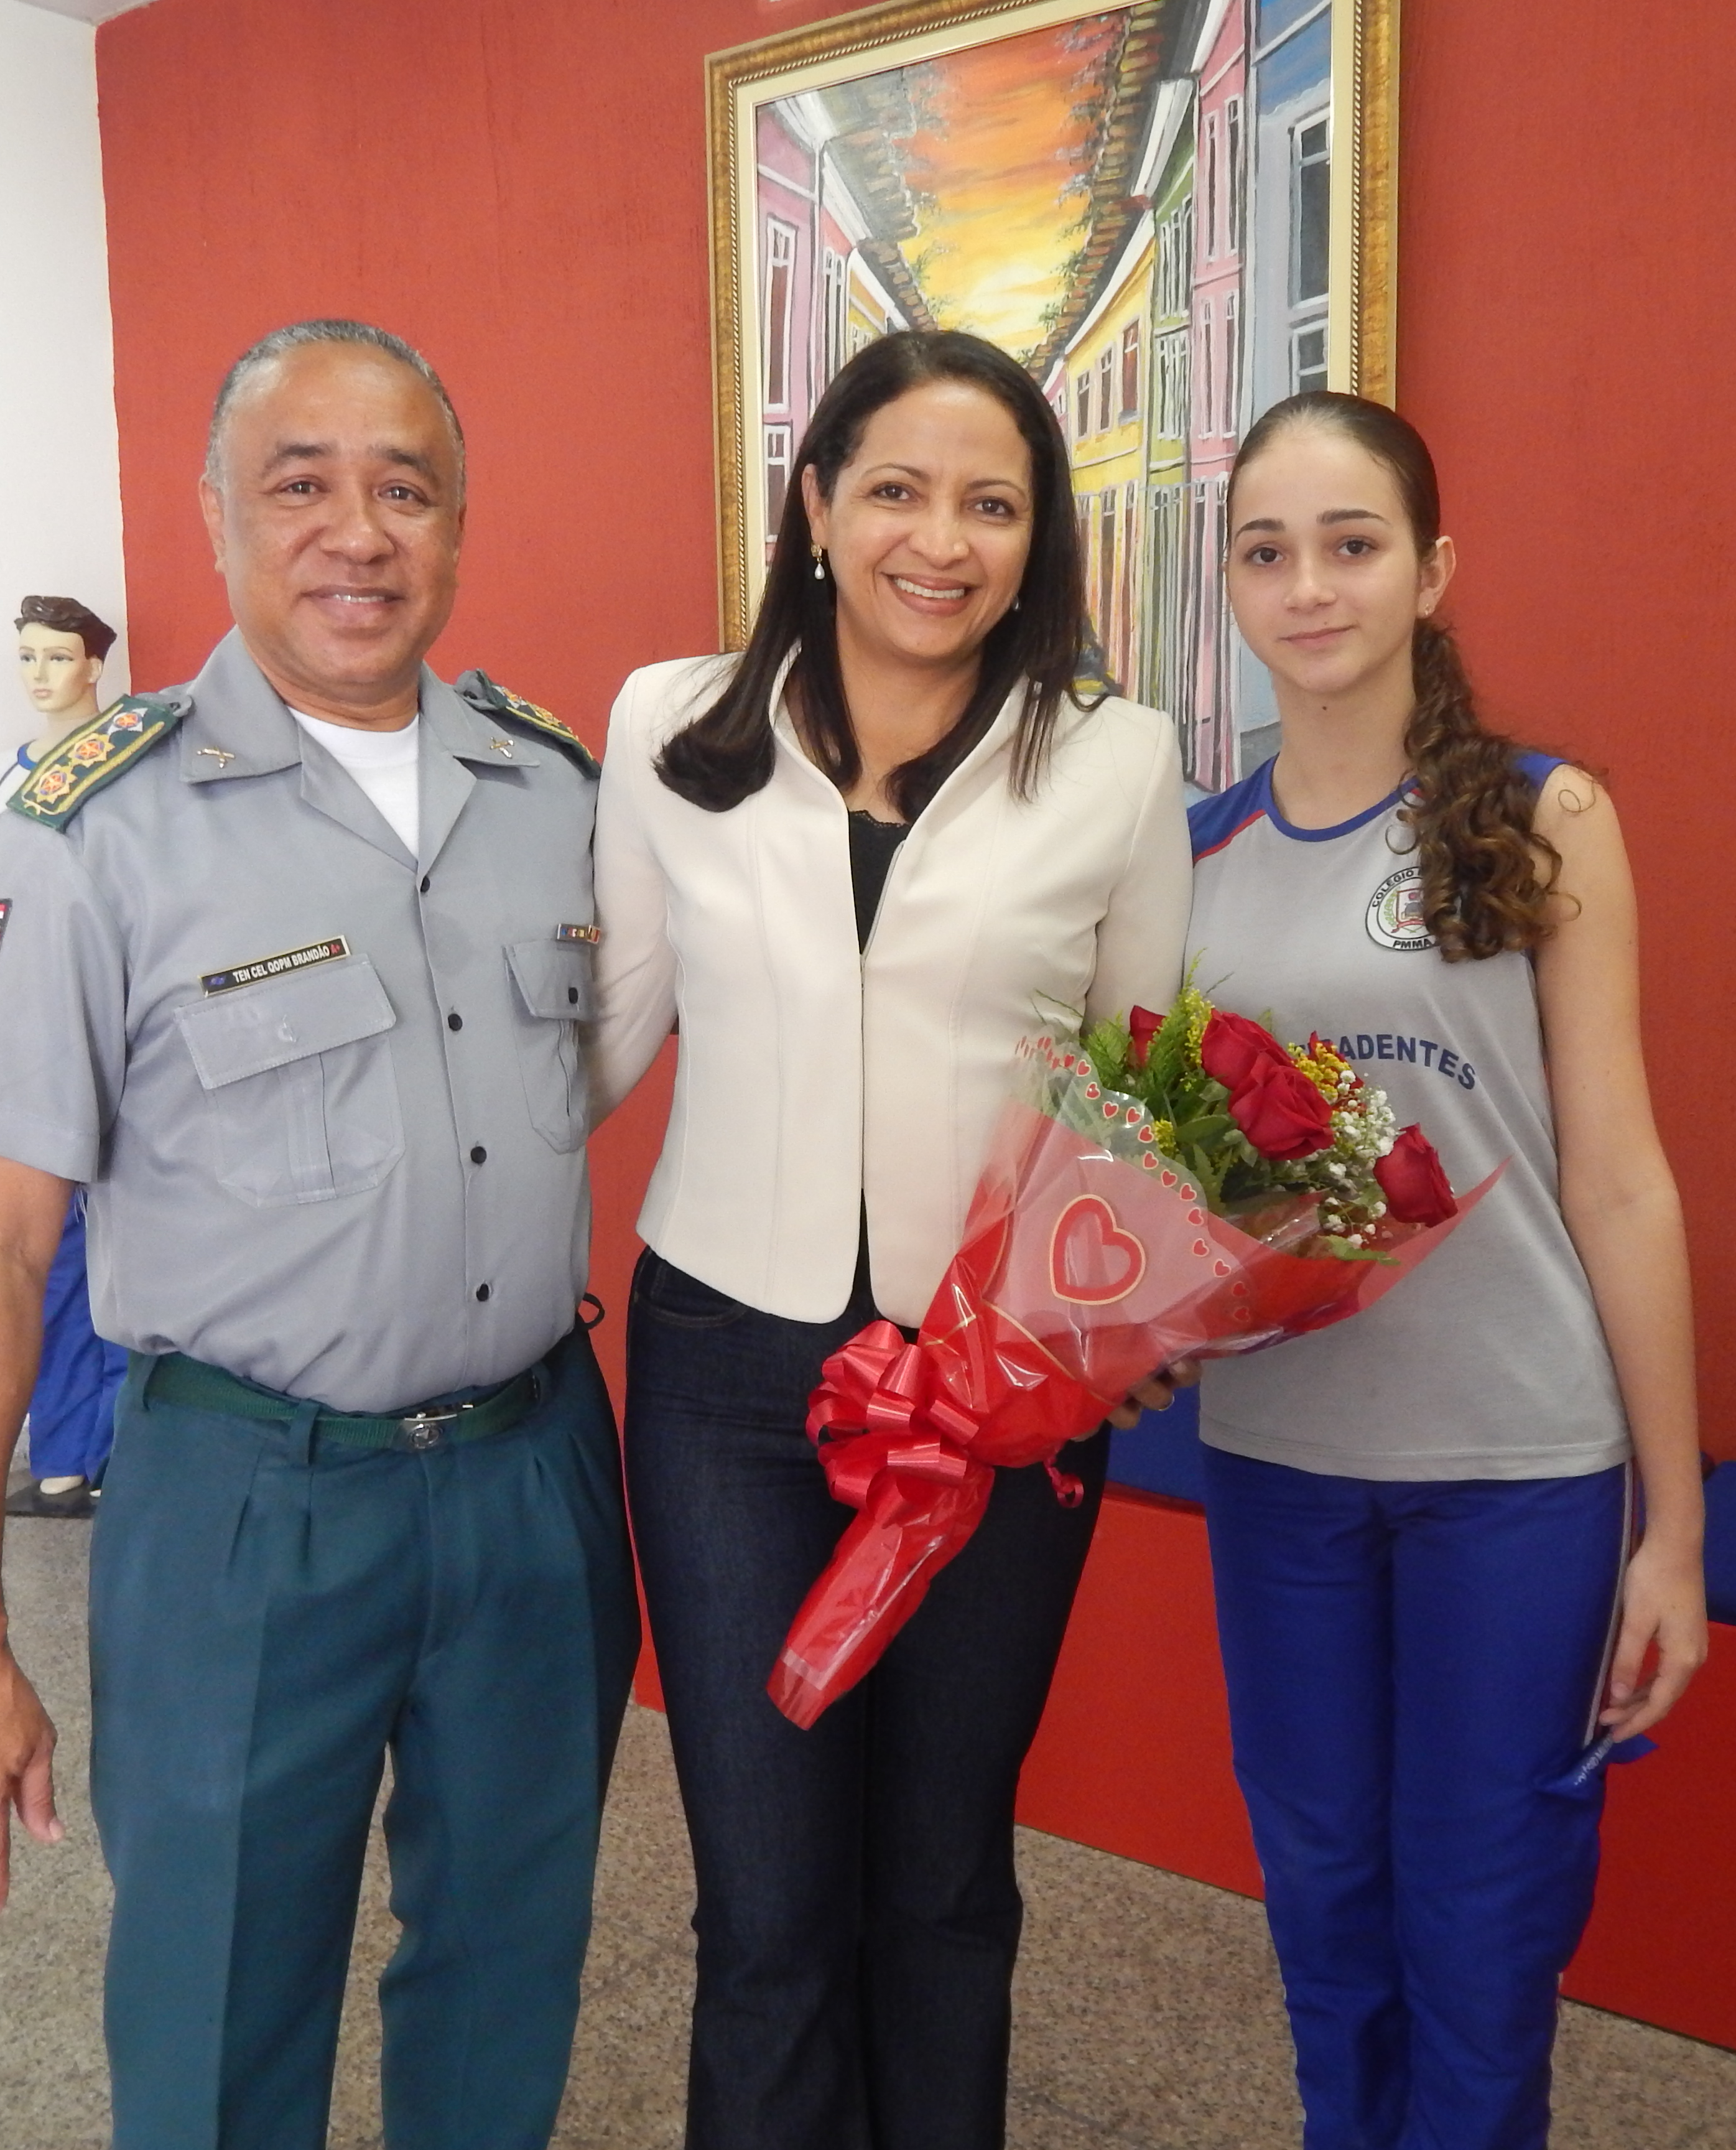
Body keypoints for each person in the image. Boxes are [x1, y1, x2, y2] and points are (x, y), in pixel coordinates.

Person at [0, 318, 638, 2150]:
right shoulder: (91, 831)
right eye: (299, 484)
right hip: (246, 1505)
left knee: (511, 1969)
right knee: (216, 2003)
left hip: (537, 1482)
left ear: (458, 529)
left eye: (404, 488)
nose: (354, 533)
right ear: (216, 519)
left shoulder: (558, 795)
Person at [586, 328, 1192, 2150]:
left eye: (993, 505)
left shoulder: (1115, 759)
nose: (945, 541)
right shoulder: (666, 727)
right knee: (766, 1908)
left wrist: (1119, 1331)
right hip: (723, 1389)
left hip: (994, 1397)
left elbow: (1137, 1095)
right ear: (818, 506)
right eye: (902, 491)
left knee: (942, 1889)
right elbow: (596, 1040)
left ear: (1038, 541)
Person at [1182, 391, 1709, 2150]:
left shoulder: (1548, 820)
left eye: (1353, 544)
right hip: (1282, 1472)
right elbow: (1188, 1186)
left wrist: (1675, 1528)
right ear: (1232, 587)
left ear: (1432, 571)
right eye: (1269, 551)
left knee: (1484, 1932)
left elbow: (1622, 1183)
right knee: (1328, 1907)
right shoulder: (1193, 857)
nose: (1310, 586)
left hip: (1518, 1472)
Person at [0, 593, 127, 1520]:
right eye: (28, 657)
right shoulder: (4, 779)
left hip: (112, 1025)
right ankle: (64, 1461)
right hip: (28, 1028)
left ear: (93, 667)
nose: (41, 674)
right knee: (50, 1251)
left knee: (124, 1244)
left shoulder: (126, 766)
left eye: (57, 657)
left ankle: (117, 1452)